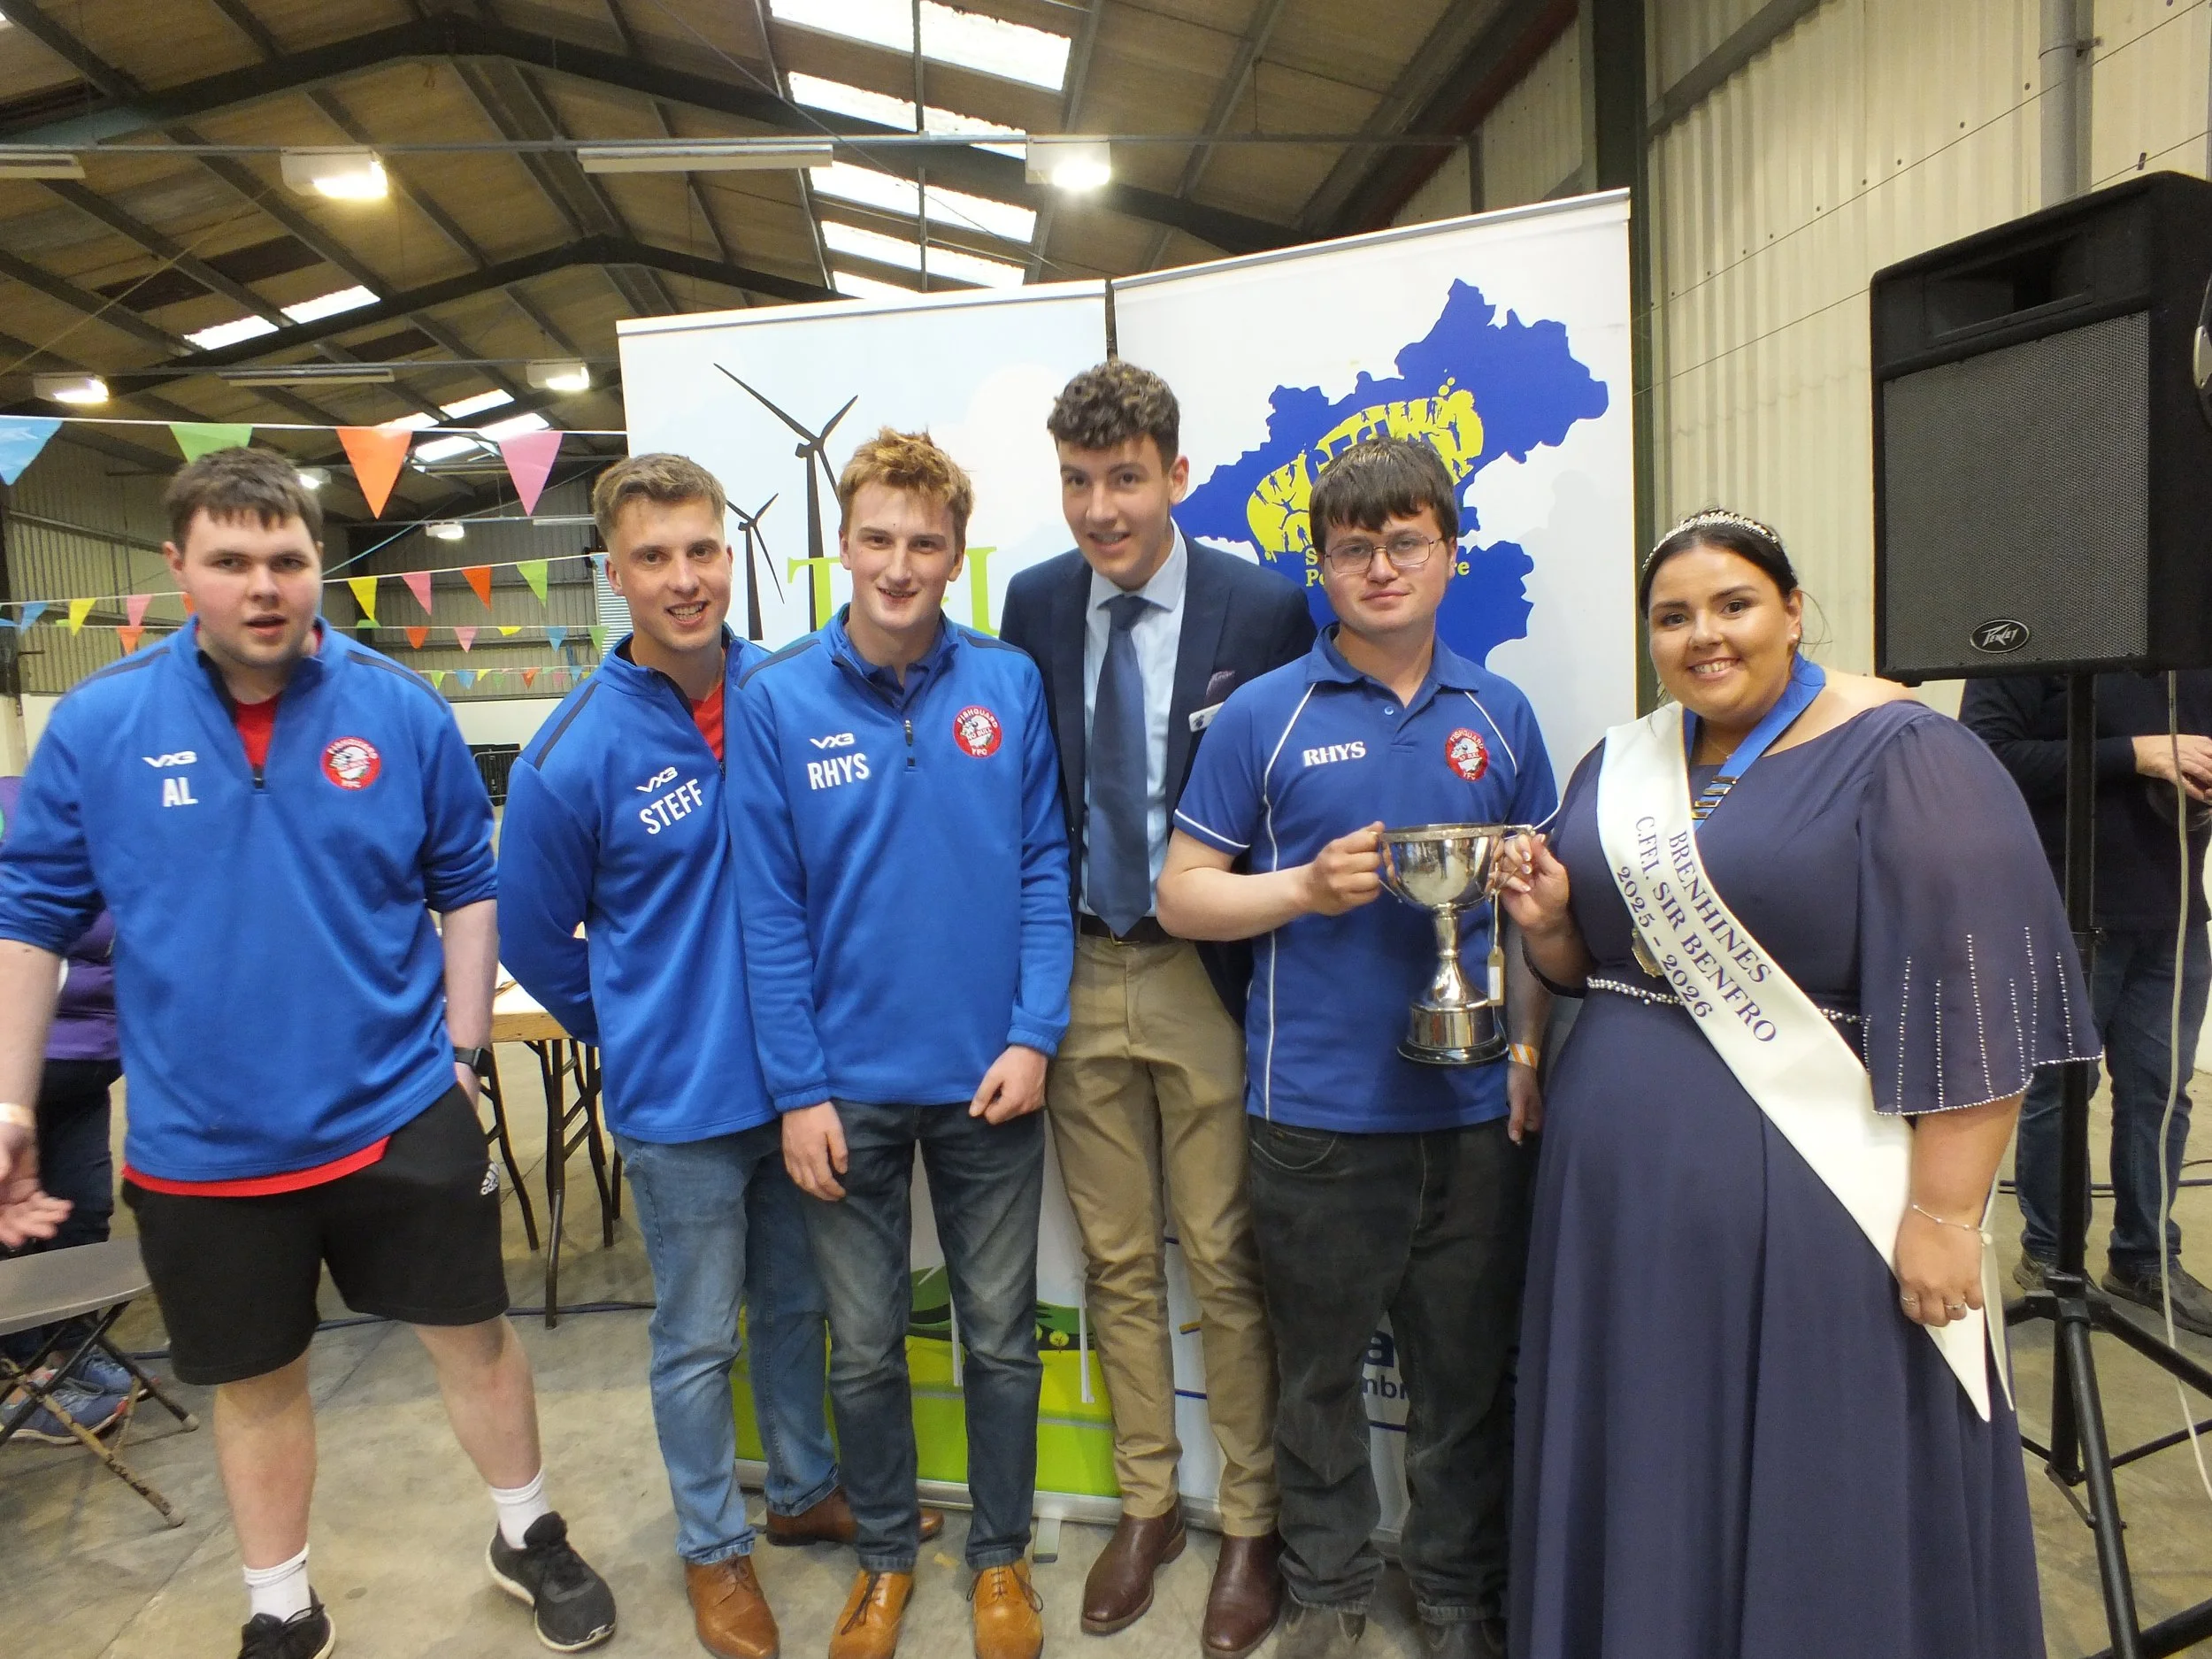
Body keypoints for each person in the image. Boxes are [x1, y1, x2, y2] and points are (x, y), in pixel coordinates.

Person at [0, 447, 616, 1659]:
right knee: (258, 1376)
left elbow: (467, 885)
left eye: (286, 559)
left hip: (398, 1108)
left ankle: (527, 1532)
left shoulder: (398, 707)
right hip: (202, 1142)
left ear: (318, 563)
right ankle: (281, 1601)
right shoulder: (101, 723)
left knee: (474, 1336)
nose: (263, 586)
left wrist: (463, 1053)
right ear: (178, 567)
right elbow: (31, 920)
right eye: (231, 561)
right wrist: (10, 1101)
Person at [1499, 510, 2093, 1659]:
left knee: (1816, 1469)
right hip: (1619, 1208)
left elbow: (1975, 999)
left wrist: (1944, 1214)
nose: (1704, 635)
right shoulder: (1621, 761)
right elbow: (1586, 967)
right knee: (1648, 1453)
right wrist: (1553, 921)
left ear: (1792, 611)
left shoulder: (1905, 750)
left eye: (1734, 605)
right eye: (1673, 616)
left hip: (1813, 1202)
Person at [499, 454, 938, 1659]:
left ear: (730, 555)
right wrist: (638, 1021)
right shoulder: (569, 754)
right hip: (681, 1106)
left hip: (811, 1089)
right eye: (654, 557)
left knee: (797, 1306)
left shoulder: (792, 691)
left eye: (702, 549)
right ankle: (711, 1544)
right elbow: (533, 939)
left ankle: (800, 1491)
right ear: (614, 572)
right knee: (698, 1337)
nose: (684, 578)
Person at [1156, 436, 1555, 1659]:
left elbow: (1535, 916)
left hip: (1473, 1116)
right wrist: (1300, 889)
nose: (1381, 567)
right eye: (1352, 548)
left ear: (1449, 552)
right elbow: (1180, 894)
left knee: (1465, 1379)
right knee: (1317, 1378)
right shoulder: (1263, 714)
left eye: (1405, 542)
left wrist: (1526, 1056)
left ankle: (1456, 1589)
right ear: (1321, 568)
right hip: (1315, 1118)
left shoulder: (1501, 713)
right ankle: (1325, 1583)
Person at [726, 428, 1073, 1659]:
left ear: (956, 554)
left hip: (991, 1080)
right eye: (876, 537)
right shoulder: (776, 699)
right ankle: (884, 1558)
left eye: (925, 542)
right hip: (845, 1095)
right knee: (866, 1349)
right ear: (842, 544)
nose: (898, 563)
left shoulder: (1008, 683)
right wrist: (798, 1088)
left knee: (1001, 1340)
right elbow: (766, 907)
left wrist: (1034, 1032)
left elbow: (1043, 864)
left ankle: (1001, 1558)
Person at [998, 360, 1313, 1655]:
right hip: (1079, 970)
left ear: (1177, 475)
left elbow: (1289, 795)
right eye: (1078, 481)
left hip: (1204, 975)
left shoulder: (1264, 605)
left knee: (1225, 1256)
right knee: (1118, 1259)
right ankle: (1146, 1505)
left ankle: (1250, 1519)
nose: (1100, 509)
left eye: (1125, 478)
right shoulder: (1034, 602)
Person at [1960, 671, 2212, 1333]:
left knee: (2162, 1093)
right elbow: (1983, 757)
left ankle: (2146, 1258)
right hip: (2061, 910)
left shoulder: (2190, 649)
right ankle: (2052, 1256)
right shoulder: (2042, 639)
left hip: (2172, 915)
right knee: (2062, 1092)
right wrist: (2135, 753)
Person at [0, 772, 135, 1442]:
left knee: (81, 1212)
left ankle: (73, 1351)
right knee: (13, 1226)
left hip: (86, 1069)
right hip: (16, 1072)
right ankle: (28, 1379)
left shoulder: (65, 806)